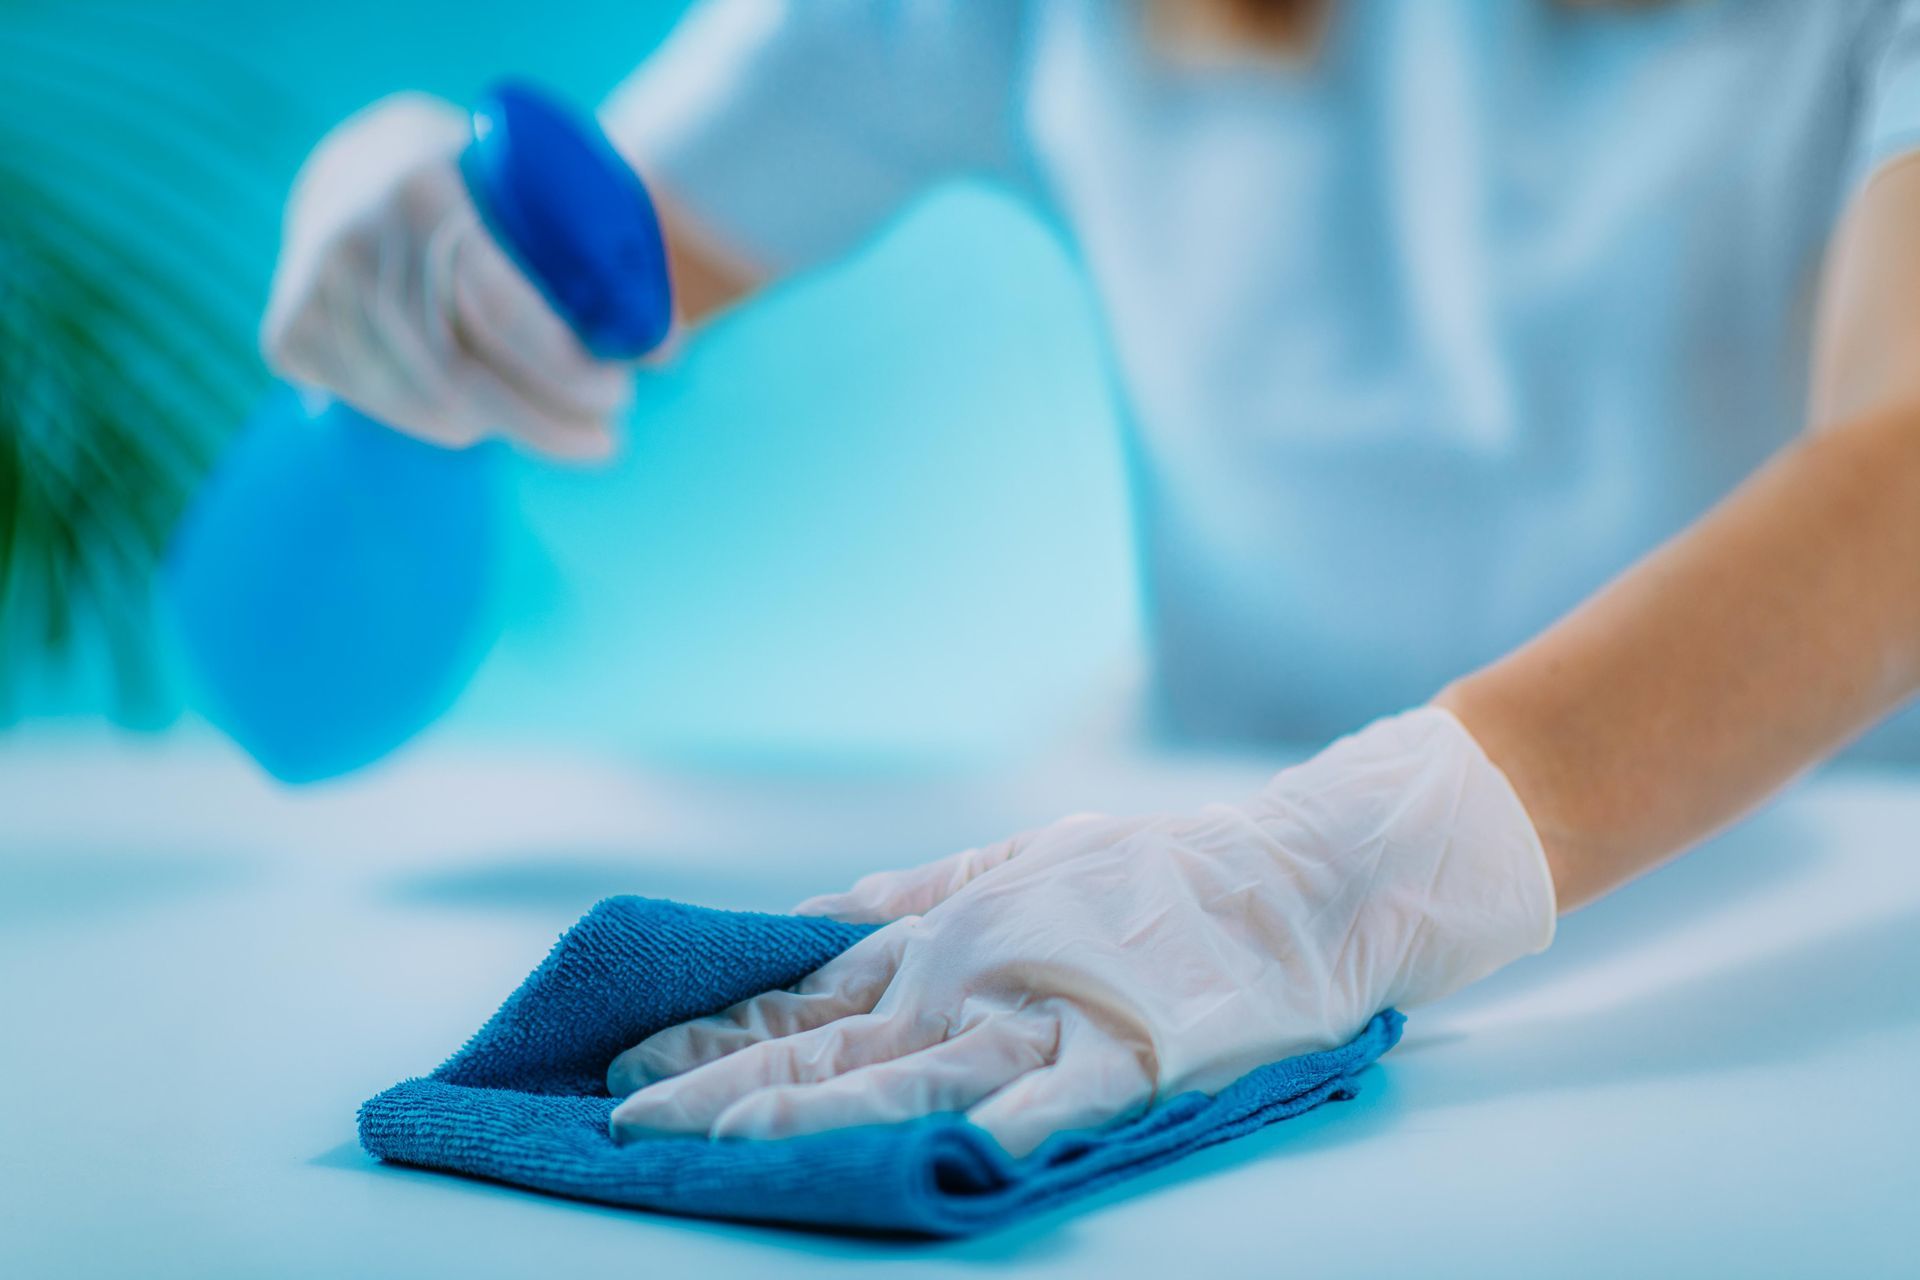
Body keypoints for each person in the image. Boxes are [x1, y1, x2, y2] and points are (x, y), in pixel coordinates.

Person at [263, 0, 1920, 1158]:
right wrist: (421, 282)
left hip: (1818, 931)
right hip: (1169, 930)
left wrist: (1352, 869)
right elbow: (583, 279)